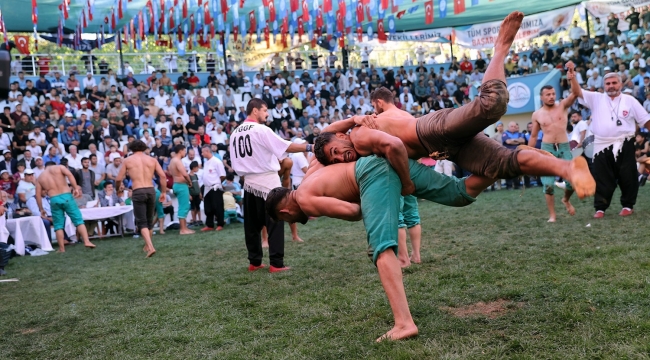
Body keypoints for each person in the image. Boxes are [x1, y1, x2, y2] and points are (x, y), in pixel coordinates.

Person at [317, 13, 595, 201]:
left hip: (431, 130)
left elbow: (392, 146)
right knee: (503, 166)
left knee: (492, 104)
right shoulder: (373, 122)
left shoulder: (359, 134)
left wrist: (407, 183)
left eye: (335, 153)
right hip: (444, 149)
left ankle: (500, 46)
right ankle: (567, 168)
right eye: (334, 160)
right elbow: (323, 140)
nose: (340, 159)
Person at [266, 153, 488, 342]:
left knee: (380, 248)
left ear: (284, 213)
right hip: (386, 161)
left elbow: (354, 212)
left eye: (287, 220)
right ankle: (506, 163)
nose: (291, 221)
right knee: (458, 191)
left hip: (372, 174)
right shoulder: (309, 175)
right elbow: (316, 151)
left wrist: (374, 198)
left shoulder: (304, 199)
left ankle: (404, 324)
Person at [229, 98, 309, 273]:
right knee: (274, 222)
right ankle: (276, 263)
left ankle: (255, 262)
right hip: (267, 181)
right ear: (255, 110)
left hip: (248, 183)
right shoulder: (260, 129)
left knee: (251, 225)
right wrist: (308, 147)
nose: (267, 114)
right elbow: (285, 145)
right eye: (265, 110)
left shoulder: (235, 132)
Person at [570, 63, 650, 218]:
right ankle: (600, 207)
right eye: (608, 83)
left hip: (624, 143)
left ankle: (627, 205)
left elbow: (645, 121)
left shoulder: (630, 100)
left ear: (620, 84)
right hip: (601, 143)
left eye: (614, 83)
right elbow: (577, 92)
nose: (611, 86)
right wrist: (572, 76)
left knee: (628, 175)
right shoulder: (596, 98)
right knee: (601, 176)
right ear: (603, 85)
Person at [529, 63, 580, 222]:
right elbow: (533, 136)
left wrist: (572, 75)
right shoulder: (537, 114)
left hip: (564, 147)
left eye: (553, 94)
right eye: (548, 94)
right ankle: (552, 215)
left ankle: (566, 199)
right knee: (548, 185)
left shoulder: (563, 106)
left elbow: (576, 93)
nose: (551, 96)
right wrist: (528, 155)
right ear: (542, 97)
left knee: (571, 183)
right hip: (547, 149)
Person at [116, 140, 167, 257]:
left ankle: (150, 247)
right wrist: (163, 191)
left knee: (142, 222)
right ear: (144, 148)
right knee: (149, 221)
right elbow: (163, 176)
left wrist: (117, 189)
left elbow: (118, 179)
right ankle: (147, 245)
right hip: (151, 190)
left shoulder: (128, 160)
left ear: (131, 149)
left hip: (138, 191)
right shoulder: (152, 160)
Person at [35, 162, 96, 252]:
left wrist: (41, 209)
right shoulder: (59, 167)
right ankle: (86, 241)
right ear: (54, 164)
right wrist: (75, 187)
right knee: (78, 220)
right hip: (66, 196)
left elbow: (38, 195)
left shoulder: (40, 177)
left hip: (54, 199)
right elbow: (70, 175)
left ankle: (61, 248)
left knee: (58, 225)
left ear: (45, 167)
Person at [168, 144, 194, 235]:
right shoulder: (177, 161)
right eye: (184, 151)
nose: (185, 152)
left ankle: (184, 228)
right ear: (180, 151)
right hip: (181, 185)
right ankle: (183, 229)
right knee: (184, 206)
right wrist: (189, 182)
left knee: (183, 206)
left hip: (177, 184)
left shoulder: (172, 160)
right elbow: (185, 174)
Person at [201, 145, 227, 231]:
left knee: (217, 206)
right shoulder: (206, 162)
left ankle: (220, 224)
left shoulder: (217, 161)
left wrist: (217, 182)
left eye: (203, 152)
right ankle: (209, 225)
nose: (202, 153)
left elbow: (222, 175)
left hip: (215, 187)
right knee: (208, 207)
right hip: (207, 188)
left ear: (207, 151)